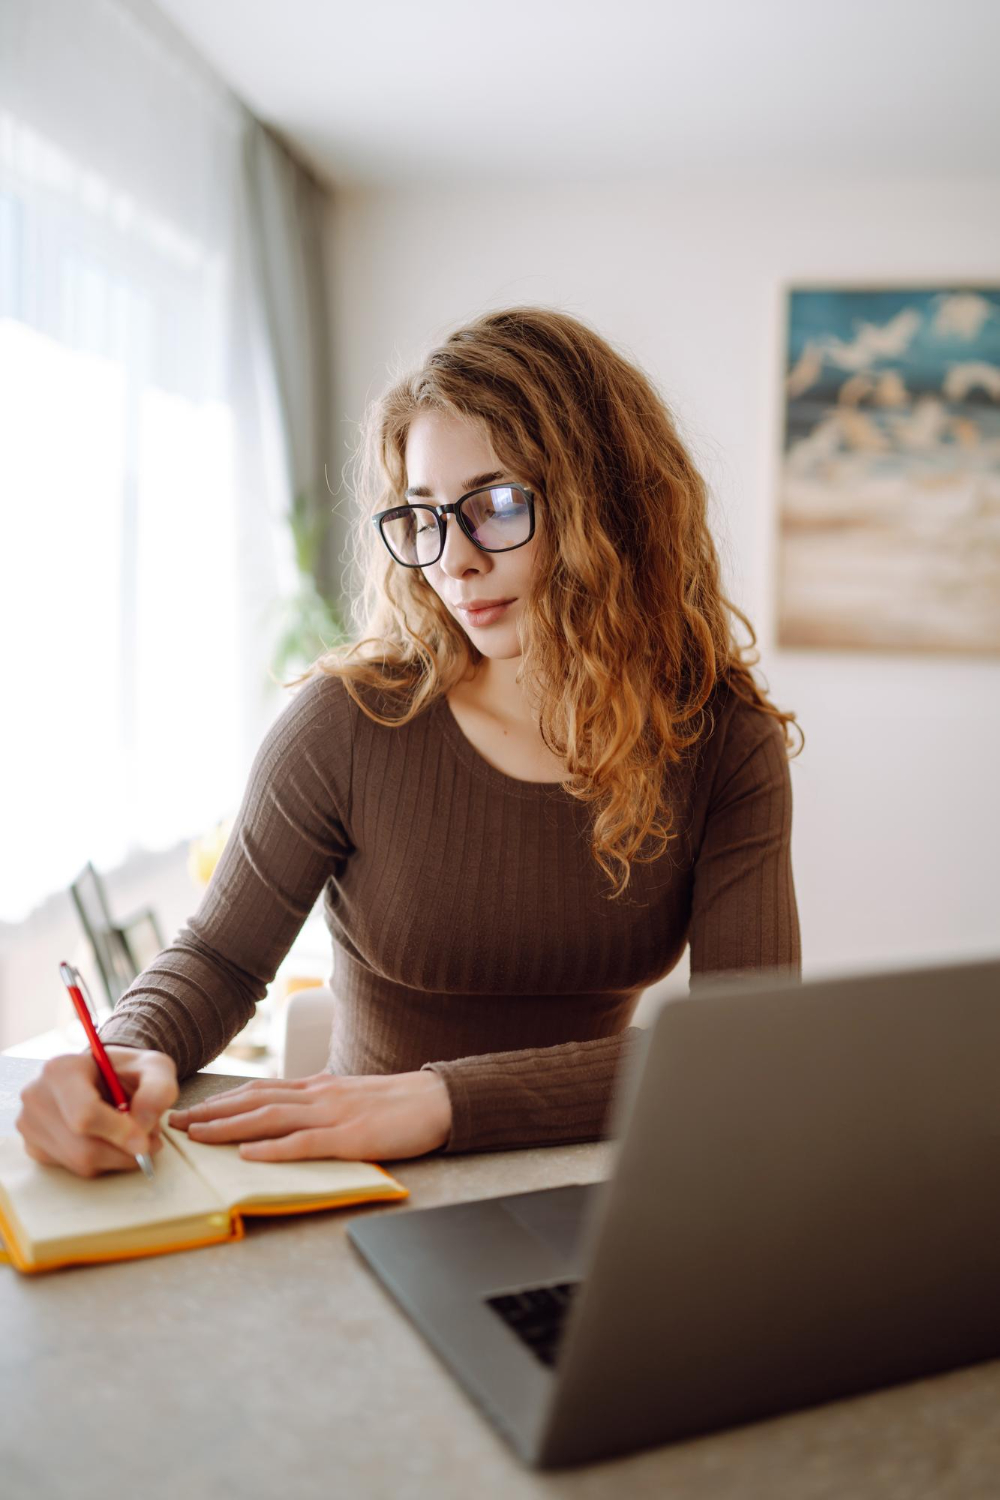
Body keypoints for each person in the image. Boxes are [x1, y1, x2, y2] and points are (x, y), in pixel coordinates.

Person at [16, 305, 803, 1180]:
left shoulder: (722, 740)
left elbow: (753, 1048)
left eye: (498, 505)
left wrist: (442, 1101)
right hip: (355, 1190)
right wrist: (124, 1052)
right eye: (426, 514)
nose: (452, 561)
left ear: (608, 508)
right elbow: (219, 957)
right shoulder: (348, 722)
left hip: (586, 1197)